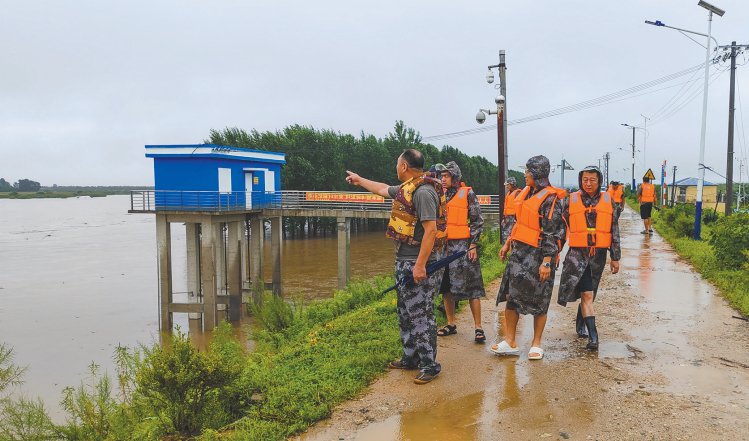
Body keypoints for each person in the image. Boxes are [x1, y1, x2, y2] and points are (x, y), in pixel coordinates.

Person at [345, 149, 447, 384]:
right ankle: (410, 357)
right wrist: (360, 180)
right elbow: (382, 188)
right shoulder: (407, 188)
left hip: (418, 263)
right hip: (405, 261)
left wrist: (420, 266)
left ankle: (430, 364)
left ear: (404, 166)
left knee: (421, 314)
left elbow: (431, 231)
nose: (396, 167)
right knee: (405, 312)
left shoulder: (423, 192)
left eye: (397, 163)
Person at [490, 155, 565, 360]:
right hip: (519, 253)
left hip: (539, 256)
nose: (525, 175)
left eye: (528, 171)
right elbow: (519, 223)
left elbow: (553, 234)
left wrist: (547, 262)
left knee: (540, 300)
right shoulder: (525, 193)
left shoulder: (551, 200)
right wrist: (507, 243)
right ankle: (510, 341)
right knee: (511, 297)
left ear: (537, 174)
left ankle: (536, 343)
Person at [558, 165, 621, 350]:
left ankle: (581, 323)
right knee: (586, 293)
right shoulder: (571, 200)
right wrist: (553, 252)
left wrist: (615, 257)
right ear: (580, 180)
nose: (588, 183)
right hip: (577, 254)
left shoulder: (609, 201)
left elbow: (614, 231)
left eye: (592, 180)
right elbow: (561, 228)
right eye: (585, 179)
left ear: (599, 181)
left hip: (598, 255)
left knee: (590, 293)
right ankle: (594, 338)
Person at [433, 161, 487, 343]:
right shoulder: (439, 194)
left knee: (473, 289)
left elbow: (477, 221)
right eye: (442, 176)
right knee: (446, 288)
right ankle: (451, 323)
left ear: (455, 177)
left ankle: (478, 327)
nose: (443, 179)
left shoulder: (468, 194)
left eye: (446, 176)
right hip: (444, 249)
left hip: (463, 249)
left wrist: (473, 245)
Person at [501, 177, 522, 242]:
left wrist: (516, 219)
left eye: (508, 185)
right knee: (506, 235)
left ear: (512, 184)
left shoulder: (518, 193)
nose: (506, 186)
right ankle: (506, 249)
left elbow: (520, 208)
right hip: (507, 218)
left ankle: (511, 249)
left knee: (512, 236)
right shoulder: (509, 193)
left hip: (513, 218)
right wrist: (504, 219)